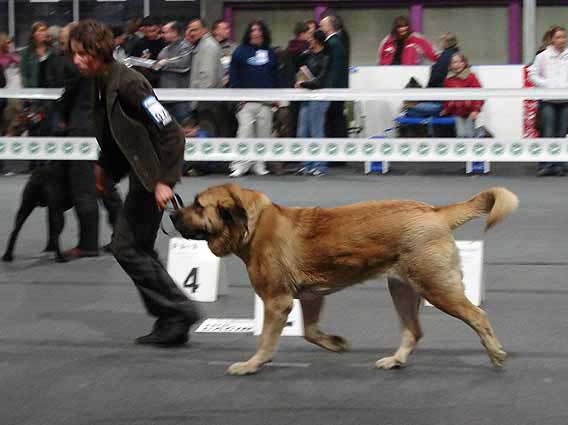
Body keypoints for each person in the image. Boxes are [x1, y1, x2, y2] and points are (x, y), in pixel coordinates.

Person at [69, 19, 200, 345]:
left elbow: (171, 133)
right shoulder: (100, 81)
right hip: (140, 174)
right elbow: (117, 136)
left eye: (82, 54)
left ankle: (178, 311)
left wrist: (165, 181)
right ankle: (172, 320)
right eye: (74, 53)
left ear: (99, 51)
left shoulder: (129, 84)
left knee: (125, 247)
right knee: (138, 248)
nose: (76, 60)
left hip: (151, 178)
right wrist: (105, 170)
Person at [228, 20, 278, 178]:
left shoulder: (270, 52)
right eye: (253, 30)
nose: (256, 33)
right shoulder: (240, 51)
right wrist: (237, 98)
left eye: (259, 30)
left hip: (266, 102)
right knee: (244, 133)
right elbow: (233, 76)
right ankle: (239, 165)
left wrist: (277, 97)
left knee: (263, 134)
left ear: (263, 33)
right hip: (245, 102)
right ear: (249, 33)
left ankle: (259, 164)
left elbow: (275, 76)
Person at [529, 25, 568, 177]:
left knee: (561, 133)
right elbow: (532, 74)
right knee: (547, 132)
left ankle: (558, 164)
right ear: (552, 39)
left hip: (565, 100)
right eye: (558, 37)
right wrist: (546, 84)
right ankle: (545, 164)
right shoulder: (542, 56)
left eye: (564, 37)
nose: (562, 40)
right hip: (547, 100)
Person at [295, 29, 330, 176]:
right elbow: (297, 67)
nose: (308, 40)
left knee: (316, 131)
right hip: (306, 96)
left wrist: (303, 84)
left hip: (320, 97)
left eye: (311, 38)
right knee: (303, 131)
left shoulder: (326, 57)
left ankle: (319, 165)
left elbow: (320, 81)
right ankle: (306, 164)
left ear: (317, 40)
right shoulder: (307, 55)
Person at [154, 21, 192, 122]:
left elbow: (184, 63)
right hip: (165, 96)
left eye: (165, 32)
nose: (162, 35)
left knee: (183, 126)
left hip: (180, 97)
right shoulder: (165, 49)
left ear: (174, 32)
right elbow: (158, 63)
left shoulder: (186, 46)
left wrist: (165, 63)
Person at [440, 53, 484, 138]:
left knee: (469, 135)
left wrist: (476, 110)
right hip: (457, 112)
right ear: (450, 65)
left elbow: (479, 95)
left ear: (464, 63)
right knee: (461, 135)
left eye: (459, 62)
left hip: (470, 111)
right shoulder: (448, 79)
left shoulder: (471, 77)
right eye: (454, 62)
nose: (457, 65)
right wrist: (446, 108)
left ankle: (480, 133)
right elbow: (447, 97)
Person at [319, 15, 348, 140]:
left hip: (334, 90)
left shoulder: (332, 43)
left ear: (330, 26)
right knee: (336, 119)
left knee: (334, 120)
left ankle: (336, 156)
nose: (320, 27)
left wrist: (329, 89)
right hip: (337, 88)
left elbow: (334, 70)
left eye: (322, 25)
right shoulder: (337, 42)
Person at [212, 19, 234, 86]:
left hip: (228, 86)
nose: (228, 31)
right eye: (225, 29)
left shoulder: (233, 48)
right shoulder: (208, 47)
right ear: (216, 31)